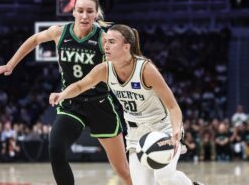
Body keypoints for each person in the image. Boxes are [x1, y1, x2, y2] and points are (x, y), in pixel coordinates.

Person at [0, 0, 132, 185]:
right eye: (80, 10)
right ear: (73, 11)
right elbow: (34, 40)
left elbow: (124, 64)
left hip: (99, 104)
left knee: (122, 170)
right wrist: (10, 65)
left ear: (96, 14)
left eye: (90, 11)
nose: (84, 15)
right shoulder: (59, 33)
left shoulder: (103, 39)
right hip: (72, 103)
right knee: (55, 148)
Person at [49, 24, 204, 185]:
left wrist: (177, 129)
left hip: (162, 129)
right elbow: (80, 85)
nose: (106, 46)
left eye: (111, 42)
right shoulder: (104, 69)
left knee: (164, 178)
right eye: (105, 42)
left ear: (126, 47)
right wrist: (62, 95)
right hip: (135, 135)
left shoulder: (145, 69)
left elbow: (173, 106)